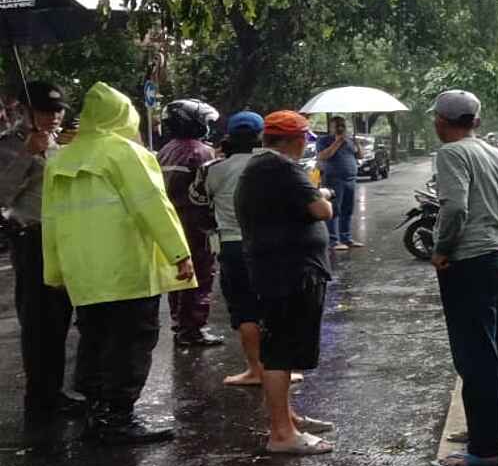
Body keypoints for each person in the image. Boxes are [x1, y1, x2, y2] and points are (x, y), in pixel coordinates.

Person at [42, 82, 195, 444]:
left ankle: (96, 414)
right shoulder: (126, 152)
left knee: (94, 338)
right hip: (125, 267)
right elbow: (153, 206)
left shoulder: (60, 158)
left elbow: (49, 220)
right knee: (131, 339)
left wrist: (54, 270)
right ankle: (119, 417)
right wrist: (179, 253)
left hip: (83, 272)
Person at [428, 90, 498, 466]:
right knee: (497, 351)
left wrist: (441, 248)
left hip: (468, 264)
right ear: (474, 121)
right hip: (496, 263)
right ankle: (494, 430)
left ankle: (486, 449)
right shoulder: (496, 153)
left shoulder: (451, 154)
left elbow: (454, 207)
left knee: (476, 358)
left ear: (441, 121)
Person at [235, 110, 336, 455]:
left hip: (281, 269)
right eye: (305, 138)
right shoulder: (280, 168)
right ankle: (281, 433)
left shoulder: (263, 168)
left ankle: (287, 419)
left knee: (283, 347)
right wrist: (322, 196)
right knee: (281, 350)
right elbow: (322, 211)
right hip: (290, 272)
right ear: (295, 139)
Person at [190, 111, 304, 387]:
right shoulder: (273, 165)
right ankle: (279, 369)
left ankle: (255, 370)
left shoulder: (212, 169)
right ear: (261, 136)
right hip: (272, 247)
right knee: (275, 308)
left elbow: (198, 201)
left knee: (245, 310)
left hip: (230, 246)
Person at [0, 81, 84, 423]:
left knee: (61, 317)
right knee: (38, 321)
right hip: (33, 239)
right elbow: (3, 194)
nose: (53, 117)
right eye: (45, 111)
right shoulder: (9, 146)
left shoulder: (61, 142)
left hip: (65, 238)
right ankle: (40, 397)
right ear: (23, 110)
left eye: (58, 110)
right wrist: (27, 154)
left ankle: (55, 391)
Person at [158, 99, 223, 346]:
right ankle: (193, 329)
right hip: (196, 224)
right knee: (201, 275)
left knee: (180, 276)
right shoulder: (201, 152)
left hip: (172, 223)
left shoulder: (165, 151)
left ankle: (180, 324)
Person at [315, 116, 363, 251]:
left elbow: (360, 156)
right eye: (337, 126)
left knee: (347, 210)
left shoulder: (349, 140)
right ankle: (333, 241)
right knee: (334, 210)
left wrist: (357, 144)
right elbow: (323, 156)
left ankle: (346, 238)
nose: (341, 128)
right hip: (334, 179)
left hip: (351, 179)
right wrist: (337, 143)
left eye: (343, 125)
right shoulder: (324, 140)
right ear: (330, 127)